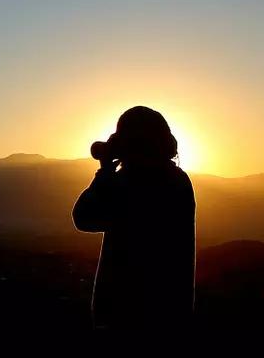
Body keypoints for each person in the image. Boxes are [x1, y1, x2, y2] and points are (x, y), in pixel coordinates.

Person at [73, 106, 195, 329]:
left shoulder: (134, 182)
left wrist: (105, 172)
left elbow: (84, 217)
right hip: (170, 313)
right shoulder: (178, 180)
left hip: (125, 316)